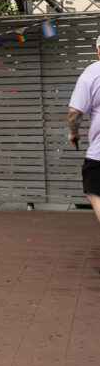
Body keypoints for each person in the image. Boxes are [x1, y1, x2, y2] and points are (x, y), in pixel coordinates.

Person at [68, 34, 100, 227]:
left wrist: (74, 133)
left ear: (99, 51)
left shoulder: (92, 73)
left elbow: (76, 112)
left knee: (94, 190)